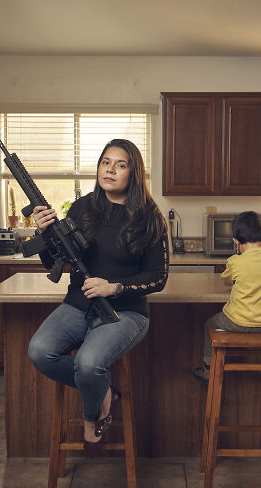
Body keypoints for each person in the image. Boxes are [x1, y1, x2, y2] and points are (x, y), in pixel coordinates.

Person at [28, 138, 169, 458]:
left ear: (134, 173)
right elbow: (55, 264)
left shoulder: (150, 217)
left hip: (127, 312)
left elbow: (159, 278)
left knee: (89, 363)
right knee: (39, 351)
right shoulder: (82, 207)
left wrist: (114, 287)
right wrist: (43, 233)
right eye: (106, 162)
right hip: (77, 304)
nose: (111, 170)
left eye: (121, 165)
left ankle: (93, 418)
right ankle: (104, 391)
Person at [193, 211, 261, 382]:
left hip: (236, 322)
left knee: (209, 323)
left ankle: (207, 367)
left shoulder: (235, 261)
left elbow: (226, 280)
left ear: (236, 241)